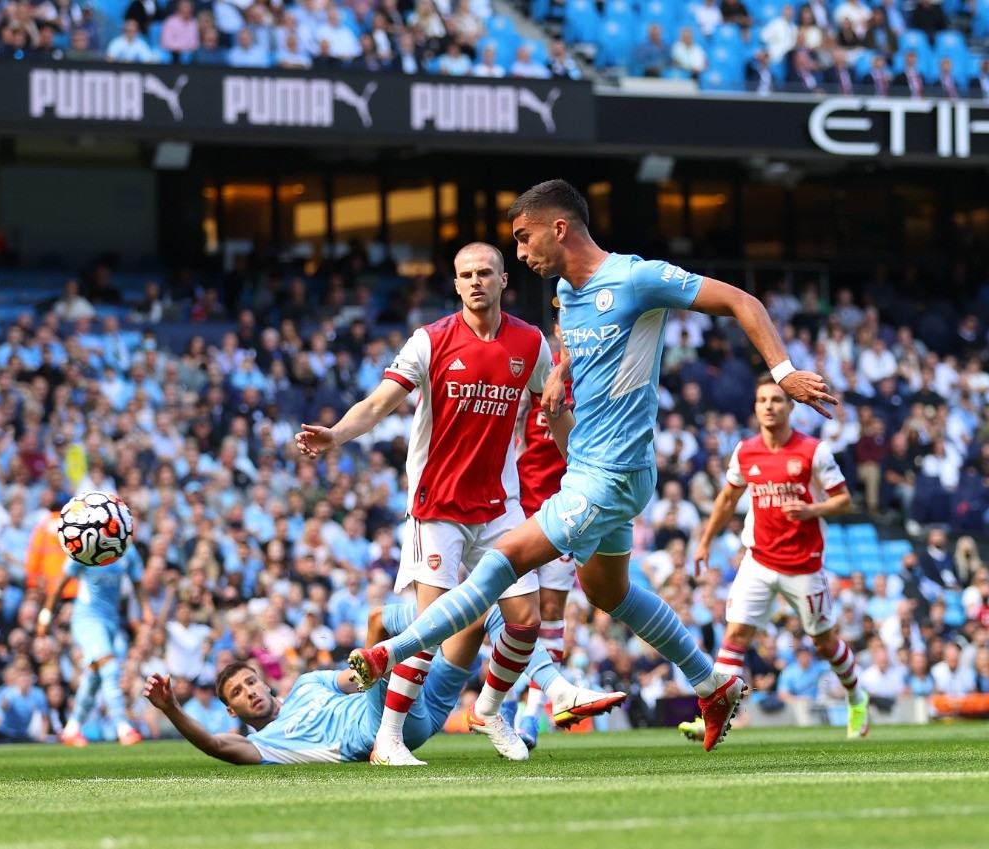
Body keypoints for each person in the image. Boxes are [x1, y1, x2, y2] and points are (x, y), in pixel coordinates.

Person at [348, 178, 836, 753]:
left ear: (559, 229)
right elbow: (577, 340)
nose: (521, 253)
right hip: (596, 470)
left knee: (499, 564)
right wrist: (558, 373)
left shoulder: (636, 278)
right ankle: (713, 681)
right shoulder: (564, 292)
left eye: (524, 239)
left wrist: (784, 372)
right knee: (609, 592)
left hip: (609, 473)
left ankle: (390, 654)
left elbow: (742, 302)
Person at [297, 242, 615, 766]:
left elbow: (554, 416)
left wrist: (582, 471)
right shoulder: (430, 341)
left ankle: (489, 710)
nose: (475, 281)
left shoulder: (530, 343)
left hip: (498, 505)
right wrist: (335, 435)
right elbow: (378, 404)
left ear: (502, 280)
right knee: (434, 625)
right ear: (455, 283)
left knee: (525, 620)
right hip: (438, 505)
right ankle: (389, 739)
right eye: (466, 274)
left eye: (484, 273)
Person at [143, 601, 593, 765]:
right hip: (381, 727)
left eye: (249, 682)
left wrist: (370, 665)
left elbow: (354, 679)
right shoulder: (266, 747)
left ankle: (491, 708)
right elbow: (216, 748)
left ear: (263, 680)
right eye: (238, 694)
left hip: (416, 709)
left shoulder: (305, 684)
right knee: (379, 621)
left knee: (477, 615)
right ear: (232, 711)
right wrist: (172, 709)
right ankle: (550, 689)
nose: (250, 692)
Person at [680, 376, 867, 742]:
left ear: (790, 407)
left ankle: (857, 697)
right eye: (763, 399)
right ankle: (712, 717)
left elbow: (844, 501)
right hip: (759, 560)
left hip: (804, 565)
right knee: (734, 634)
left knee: (824, 644)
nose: (769, 406)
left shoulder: (814, 451)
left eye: (777, 400)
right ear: (755, 407)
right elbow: (727, 500)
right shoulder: (745, 451)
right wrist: (704, 542)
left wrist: (813, 510)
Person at [510, 308, 623, 748]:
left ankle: (530, 714)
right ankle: (504, 696)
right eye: (564, 326)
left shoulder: (602, 379)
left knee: (550, 615)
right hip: (516, 509)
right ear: (557, 331)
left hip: (566, 511)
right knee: (508, 612)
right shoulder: (532, 374)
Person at [38, 544, 145, 746]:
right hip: (86, 619)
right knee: (110, 668)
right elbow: (60, 585)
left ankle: (71, 728)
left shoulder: (127, 551)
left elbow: (138, 583)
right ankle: (123, 727)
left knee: (95, 676)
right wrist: (45, 617)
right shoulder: (84, 549)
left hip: (111, 622)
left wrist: (146, 611)